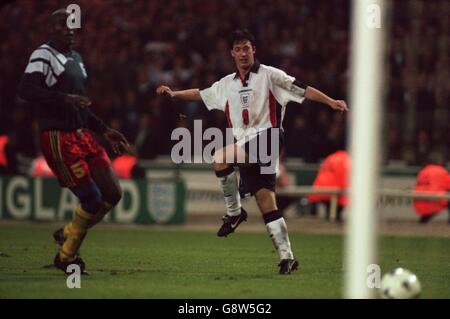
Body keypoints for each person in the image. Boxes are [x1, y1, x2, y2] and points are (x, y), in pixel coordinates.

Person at [156, 29, 348, 274]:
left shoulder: (270, 75)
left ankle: (234, 213)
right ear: (232, 53)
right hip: (246, 145)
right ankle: (287, 258)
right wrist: (174, 94)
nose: (243, 53)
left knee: (219, 157)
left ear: (253, 50)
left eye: (247, 48)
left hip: (269, 138)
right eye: (238, 49)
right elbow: (200, 94)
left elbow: (302, 89)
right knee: (266, 201)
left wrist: (331, 101)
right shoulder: (226, 84)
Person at [18, 9, 130, 274]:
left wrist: (104, 130)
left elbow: (81, 105)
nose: (70, 30)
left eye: (72, 26)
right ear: (52, 29)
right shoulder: (42, 55)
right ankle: (66, 257)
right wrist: (63, 98)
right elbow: (26, 90)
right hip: (58, 136)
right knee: (91, 199)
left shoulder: (77, 59)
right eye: (63, 26)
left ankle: (68, 233)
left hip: (83, 135)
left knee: (113, 193)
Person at [308, 150, 350, 222]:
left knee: (332, 204)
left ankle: (331, 218)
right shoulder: (344, 159)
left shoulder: (331, 157)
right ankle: (333, 219)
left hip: (320, 188)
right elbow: (342, 178)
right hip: (331, 190)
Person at [413, 153, 450, 224]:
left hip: (419, 201)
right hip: (433, 201)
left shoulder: (423, 171)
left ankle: (423, 221)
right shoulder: (442, 171)